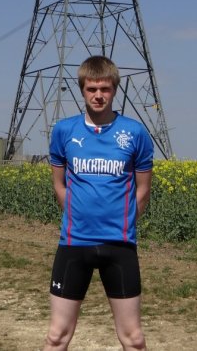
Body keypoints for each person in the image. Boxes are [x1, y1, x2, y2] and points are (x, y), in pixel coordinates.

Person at [44, 55, 154, 351]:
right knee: (56, 337)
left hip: (119, 246)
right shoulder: (64, 131)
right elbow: (59, 184)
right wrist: (78, 216)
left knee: (134, 339)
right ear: (82, 90)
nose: (98, 95)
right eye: (91, 89)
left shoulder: (134, 133)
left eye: (104, 89)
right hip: (74, 244)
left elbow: (143, 191)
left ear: (114, 90)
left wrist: (124, 222)